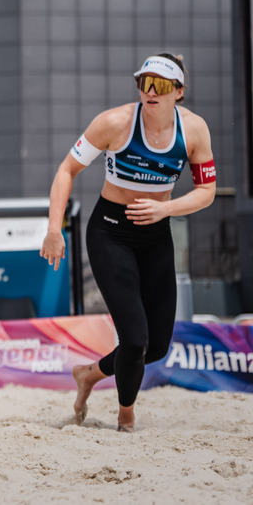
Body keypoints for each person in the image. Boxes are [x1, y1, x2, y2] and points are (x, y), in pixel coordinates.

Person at [40, 53, 216, 432]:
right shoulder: (116, 122)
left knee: (156, 347)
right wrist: (55, 229)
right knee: (135, 339)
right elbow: (66, 170)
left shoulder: (195, 130)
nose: (150, 91)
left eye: (162, 85)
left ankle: (89, 374)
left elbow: (207, 191)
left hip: (155, 234)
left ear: (179, 92)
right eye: (144, 82)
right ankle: (126, 417)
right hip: (110, 232)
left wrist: (164, 210)